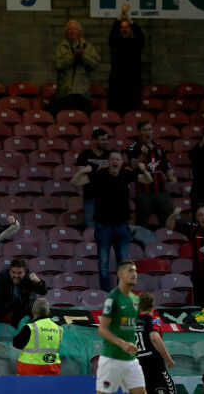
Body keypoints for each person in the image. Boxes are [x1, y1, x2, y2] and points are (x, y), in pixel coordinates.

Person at [71, 150, 152, 291]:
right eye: (112, 159)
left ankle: (120, 294)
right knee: (103, 264)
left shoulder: (126, 174)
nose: (115, 162)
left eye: (117, 159)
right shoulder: (99, 175)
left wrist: (144, 171)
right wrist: (83, 170)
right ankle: (105, 294)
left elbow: (148, 180)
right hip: (103, 228)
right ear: (108, 162)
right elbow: (75, 181)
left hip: (121, 227)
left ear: (121, 162)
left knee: (123, 264)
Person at [96, 259, 146, 394]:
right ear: (120, 274)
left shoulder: (135, 300)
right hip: (112, 359)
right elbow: (102, 329)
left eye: (135, 270)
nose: (134, 273)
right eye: (130, 270)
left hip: (130, 360)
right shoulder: (113, 298)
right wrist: (122, 344)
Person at [127, 121, 176, 228]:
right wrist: (143, 155)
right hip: (144, 193)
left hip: (161, 192)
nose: (147, 132)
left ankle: (166, 239)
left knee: (168, 221)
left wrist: (170, 175)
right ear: (139, 132)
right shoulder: (133, 147)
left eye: (149, 129)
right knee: (141, 224)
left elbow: (165, 165)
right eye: (144, 130)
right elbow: (133, 166)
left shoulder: (159, 147)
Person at [0, 258, 47, 330]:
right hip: (6, 308)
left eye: (20, 273)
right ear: (10, 270)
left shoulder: (29, 278)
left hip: (23, 310)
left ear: (24, 271)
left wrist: (38, 281)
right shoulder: (3, 277)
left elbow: (43, 292)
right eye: (13, 272)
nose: (16, 276)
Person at [55, 20, 101, 113]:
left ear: (79, 32)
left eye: (75, 29)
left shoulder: (88, 47)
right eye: (70, 29)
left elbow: (95, 64)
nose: (72, 31)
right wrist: (73, 57)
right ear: (66, 32)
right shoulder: (60, 47)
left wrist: (83, 56)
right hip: (65, 92)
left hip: (83, 93)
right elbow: (58, 65)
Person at [135, 292, 176, 394]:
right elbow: (155, 338)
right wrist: (168, 359)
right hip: (154, 365)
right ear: (153, 305)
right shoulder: (154, 320)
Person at [107, 3, 145, 114]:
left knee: (132, 113)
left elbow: (140, 35)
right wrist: (121, 15)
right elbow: (112, 33)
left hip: (133, 84)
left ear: (130, 29)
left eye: (127, 27)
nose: (124, 29)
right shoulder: (115, 44)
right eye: (122, 27)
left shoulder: (136, 44)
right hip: (117, 84)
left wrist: (128, 18)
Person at [12, 298, 63, 375]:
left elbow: (16, 344)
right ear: (49, 312)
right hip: (52, 371)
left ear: (33, 311)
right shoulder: (59, 329)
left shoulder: (30, 328)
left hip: (30, 372)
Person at [76, 129, 110, 228]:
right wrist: (97, 170)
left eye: (106, 139)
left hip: (107, 198)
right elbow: (80, 177)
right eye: (103, 139)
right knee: (90, 229)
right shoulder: (84, 155)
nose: (106, 142)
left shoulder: (110, 155)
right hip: (90, 197)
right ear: (94, 141)